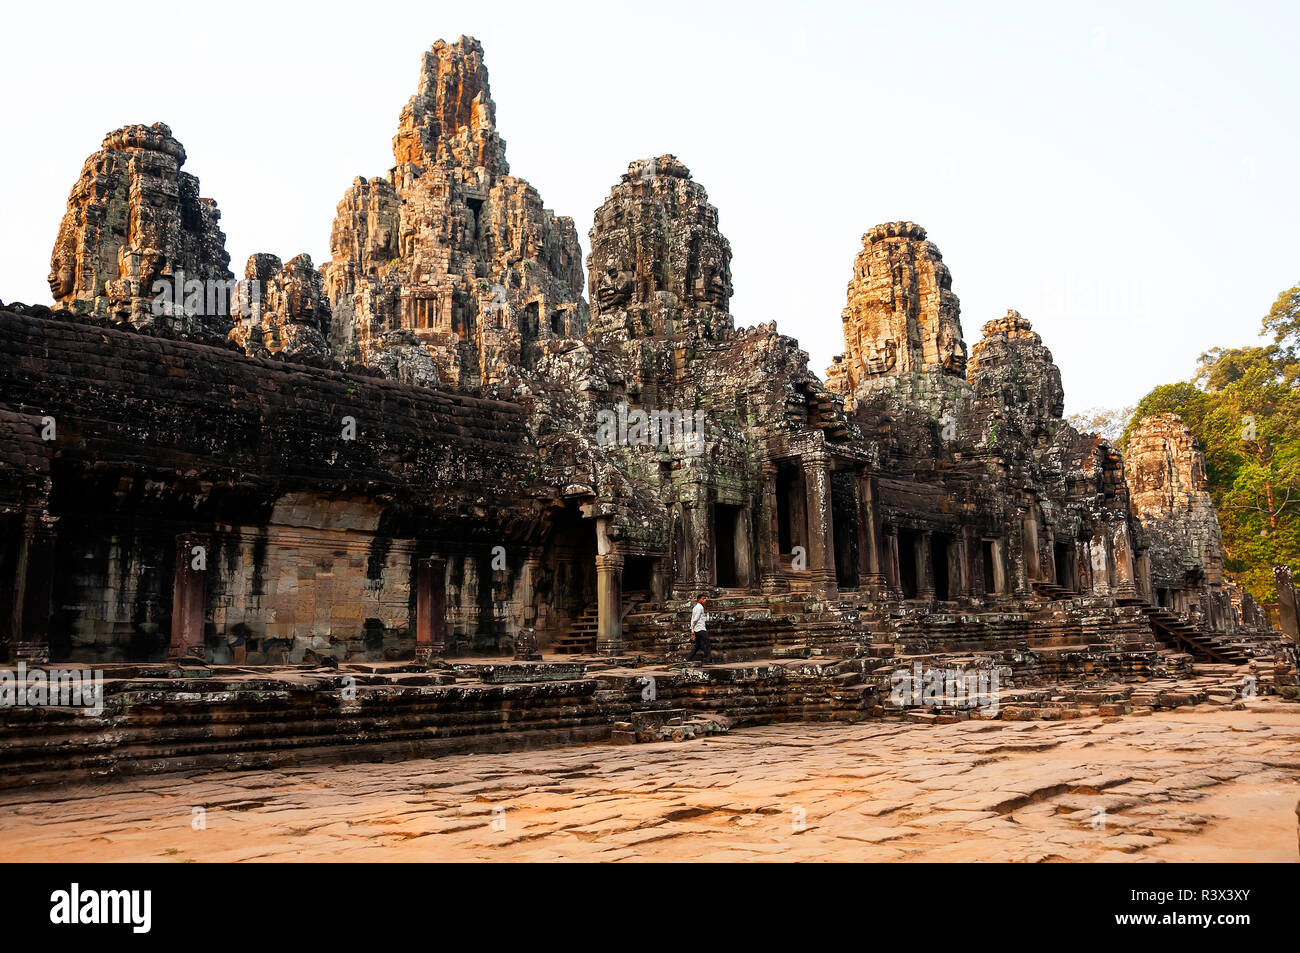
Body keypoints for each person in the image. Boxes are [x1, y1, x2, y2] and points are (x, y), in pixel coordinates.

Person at [687, 594, 712, 664]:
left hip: (696, 630)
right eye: (703, 599)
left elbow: (692, 619)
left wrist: (692, 629)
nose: (705, 600)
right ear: (699, 600)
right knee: (707, 644)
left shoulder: (694, 608)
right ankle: (707, 660)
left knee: (697, 645)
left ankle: (687, 658)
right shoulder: (700, 607)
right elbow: (695, 619)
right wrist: (693, 625)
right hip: (701, 629)